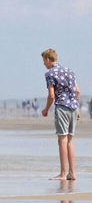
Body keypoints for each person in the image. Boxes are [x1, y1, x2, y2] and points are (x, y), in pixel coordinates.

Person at [41, 48, 81, 181]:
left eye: (43, 61)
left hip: (62, 107)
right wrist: (78, 108)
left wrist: (46, 109)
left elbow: (51, 95)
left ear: (47, 59)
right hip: (74, 107)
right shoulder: (70, 71)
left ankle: (63, 173)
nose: (43, 64)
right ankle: (72, 173)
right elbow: (77, 91)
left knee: (62, 140)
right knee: (70, 141)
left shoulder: (50, 73)